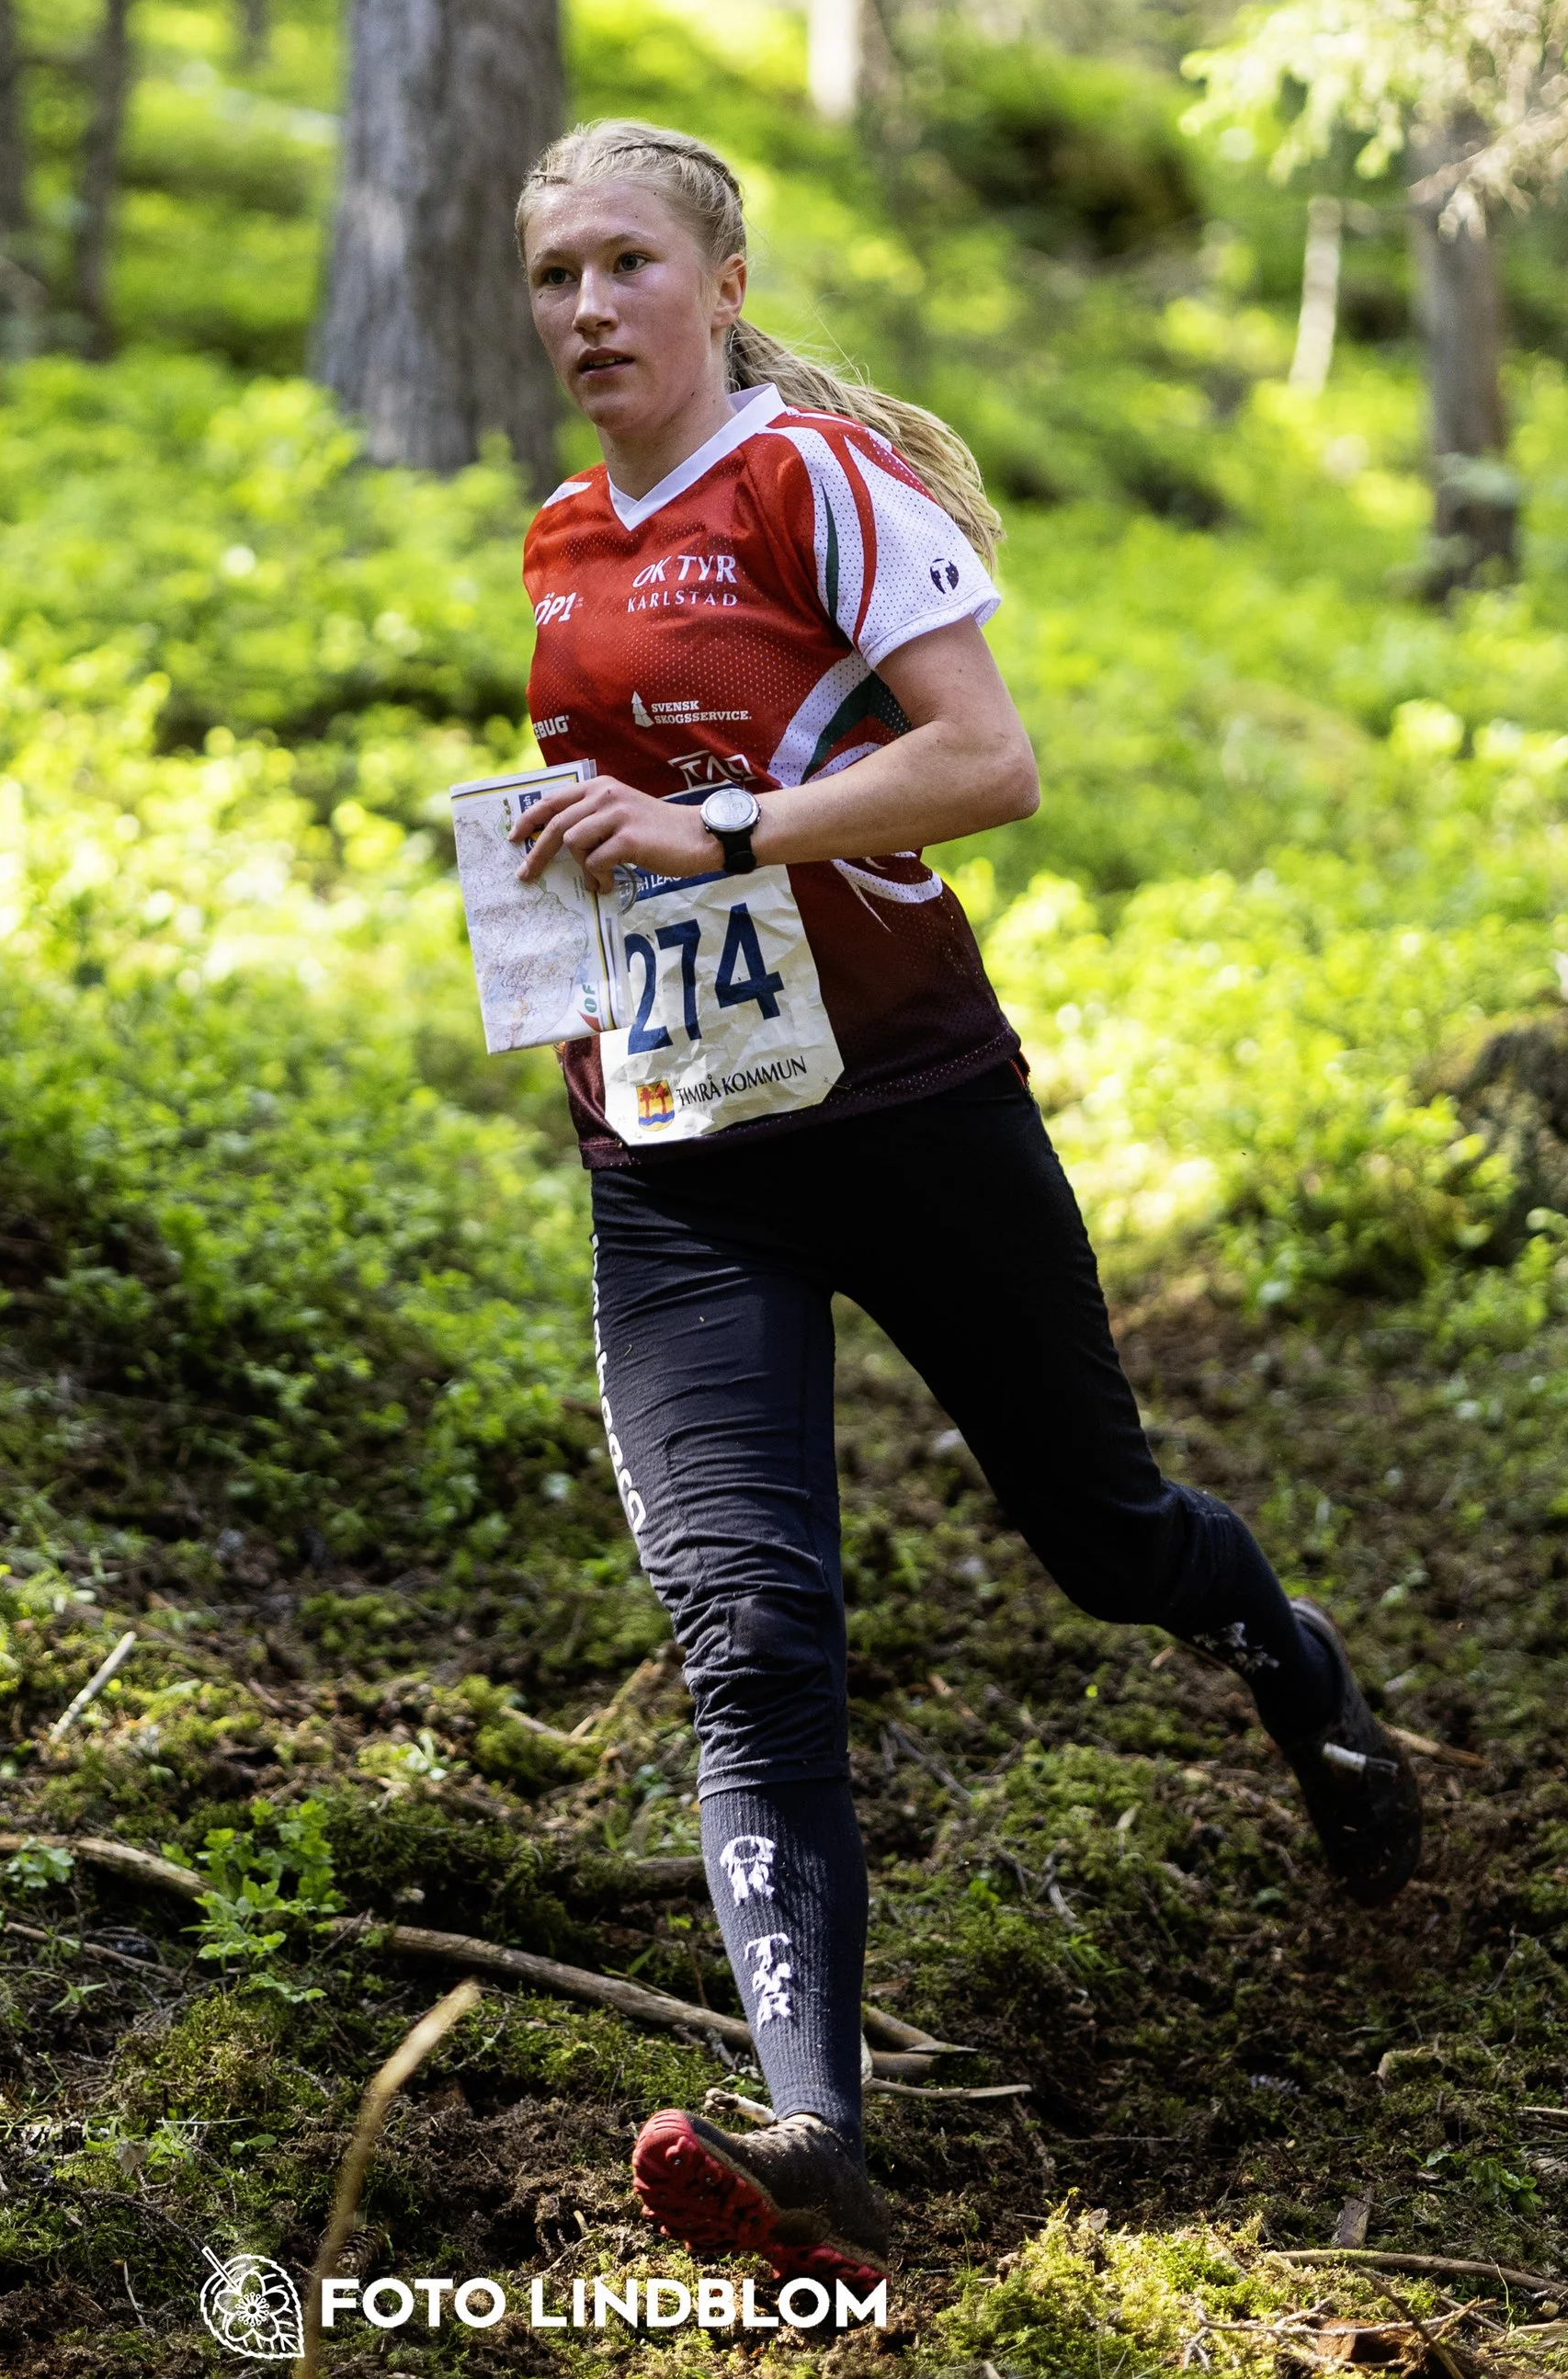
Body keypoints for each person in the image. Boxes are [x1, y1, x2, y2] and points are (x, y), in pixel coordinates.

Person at [506, 120, 1420, 2301]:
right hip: (676, 1167)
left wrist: (717, 835)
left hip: (914, 1114)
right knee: (746, 1636)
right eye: (551, 277)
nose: (587, 311)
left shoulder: (814, 484)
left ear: (719, 279)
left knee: (1100, 1538)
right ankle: (813, 2130)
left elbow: (982, 760)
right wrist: (557, 880)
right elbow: (623, 820)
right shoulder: (556, 537)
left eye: (626, 262)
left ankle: (1285, 1658)